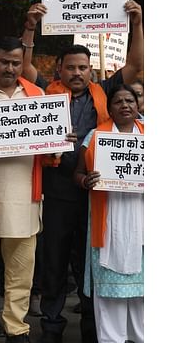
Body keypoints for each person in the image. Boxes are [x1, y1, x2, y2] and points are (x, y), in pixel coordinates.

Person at [22, 0, 144, 343]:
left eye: (83, 67)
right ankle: (51, 326)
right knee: (54, 261)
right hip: (56, 189)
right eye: (71, 67)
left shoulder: (105, 92)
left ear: (92, 70)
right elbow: (24, 68)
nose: (77, 73)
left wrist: (136, 22)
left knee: (88, 262)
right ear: (59, 69)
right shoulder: (46, 91)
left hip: (98, 193)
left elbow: (136, 64)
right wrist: (30, 27)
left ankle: (92, 328)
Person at [0, 37, 74, 343]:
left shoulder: (37, 95)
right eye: (4, 61)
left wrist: (60, 142)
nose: (10, 68)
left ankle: (16, 327)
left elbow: (50, 152)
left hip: (25, 200)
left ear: (24, 63)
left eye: (16, 62)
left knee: (21, 273)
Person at [74, 84, 144, 343]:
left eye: (130, 100)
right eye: (118, 102)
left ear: (138, 106)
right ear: (109, 108)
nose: (125, 105)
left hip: (143, 221)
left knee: (144, 297)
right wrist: (85, 181)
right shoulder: (95, 137)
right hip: (109, 222)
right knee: (109, 299)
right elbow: (78, 174)